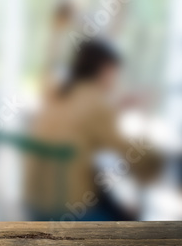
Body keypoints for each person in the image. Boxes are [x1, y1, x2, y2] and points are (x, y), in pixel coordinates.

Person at [24, 39, 159, 220]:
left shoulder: (55, 92)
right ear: (105, 70)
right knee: (130, 215)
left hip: (35, 206)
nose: (116, 80)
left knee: (112, 200)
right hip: (67, 212)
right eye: (115, 73)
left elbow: (80, 123)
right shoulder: (96, 104)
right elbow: (134, 155)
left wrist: (115, 109)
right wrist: (145, 120)